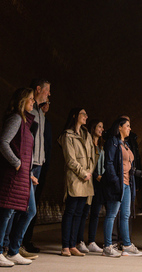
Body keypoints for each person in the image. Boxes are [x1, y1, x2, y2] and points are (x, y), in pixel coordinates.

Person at [0, 87, 39, 267]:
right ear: (22, 101)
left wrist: (28, 173)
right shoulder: (16, 119)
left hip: (23, 176)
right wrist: (16, 163)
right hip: (13, 175)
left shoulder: (26, 123)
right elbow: (3, 143)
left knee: (30, 211)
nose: (33, 102)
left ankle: (13, 251)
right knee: (6, 212)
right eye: (30, 99)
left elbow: (23, 150)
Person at [19, 79, 52, 256]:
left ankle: (22, 242)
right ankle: (12, 244)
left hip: (39, 163)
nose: (49, 95)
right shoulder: (29, 111)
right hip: (29, 164)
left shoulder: (40, 112)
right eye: (47, 91)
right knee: (23, 206)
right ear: (39, 89)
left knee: (31, 206)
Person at [57, 107, 96, 257]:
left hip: (86, 178)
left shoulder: (86, 134)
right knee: (70, 211)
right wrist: (82, 172)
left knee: (80, 213)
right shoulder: (67, 135)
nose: (86, 116)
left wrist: (90, 171)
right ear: (74, 116)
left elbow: (92, 155)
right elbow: (70, 159)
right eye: (83, 114)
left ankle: (73, 245)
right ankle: (65, 246)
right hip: (75, 177)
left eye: (86, 114)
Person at [102, 117, 142, 257]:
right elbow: (109, 164)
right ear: (119, 127)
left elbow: (128, 165)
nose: (129, 128)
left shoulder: (126, 144)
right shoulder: (113, 142)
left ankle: (126, 245)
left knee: (125, 215)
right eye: (127, 126)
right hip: (117, 184)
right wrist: (115, 181)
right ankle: (107, 246)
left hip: (127, 184)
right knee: (112, 215)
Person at [77, 119, 105, 253]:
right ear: (93, 128)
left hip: (100, 183)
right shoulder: (88, 144)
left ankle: (92, 241)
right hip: (90, 180)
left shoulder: (101, 146)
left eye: (102, 127)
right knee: (84, 211)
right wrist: (95, 176)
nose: (101, 129)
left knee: (95, 213)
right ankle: (79, 240)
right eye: (99, 126)